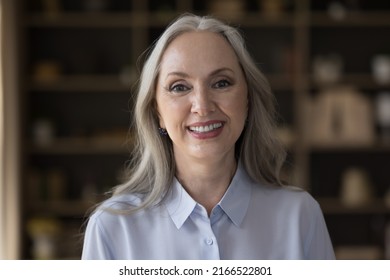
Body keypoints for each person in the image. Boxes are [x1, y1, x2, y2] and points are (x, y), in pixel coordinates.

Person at [82, 13, 335, 260]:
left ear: (247, 101)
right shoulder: (112, 228)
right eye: (179, 87)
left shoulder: (301, 217)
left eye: (221, 83)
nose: (202, 106)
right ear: (157, 111)